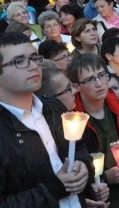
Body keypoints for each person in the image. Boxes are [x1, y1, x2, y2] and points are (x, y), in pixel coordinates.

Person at [0, 32, 93, 206]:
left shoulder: (54, 107)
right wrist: (55, 188)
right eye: (19, 61)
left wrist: (83, 164)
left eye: (34, 58)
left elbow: (79, 146)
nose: (33, 66)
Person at [68, 53, 119, 208]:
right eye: (90, 79)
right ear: (76, 86)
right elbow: (73, 171)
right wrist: (105, 177)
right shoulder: (73, 123)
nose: (99, 83)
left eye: (102, 75)